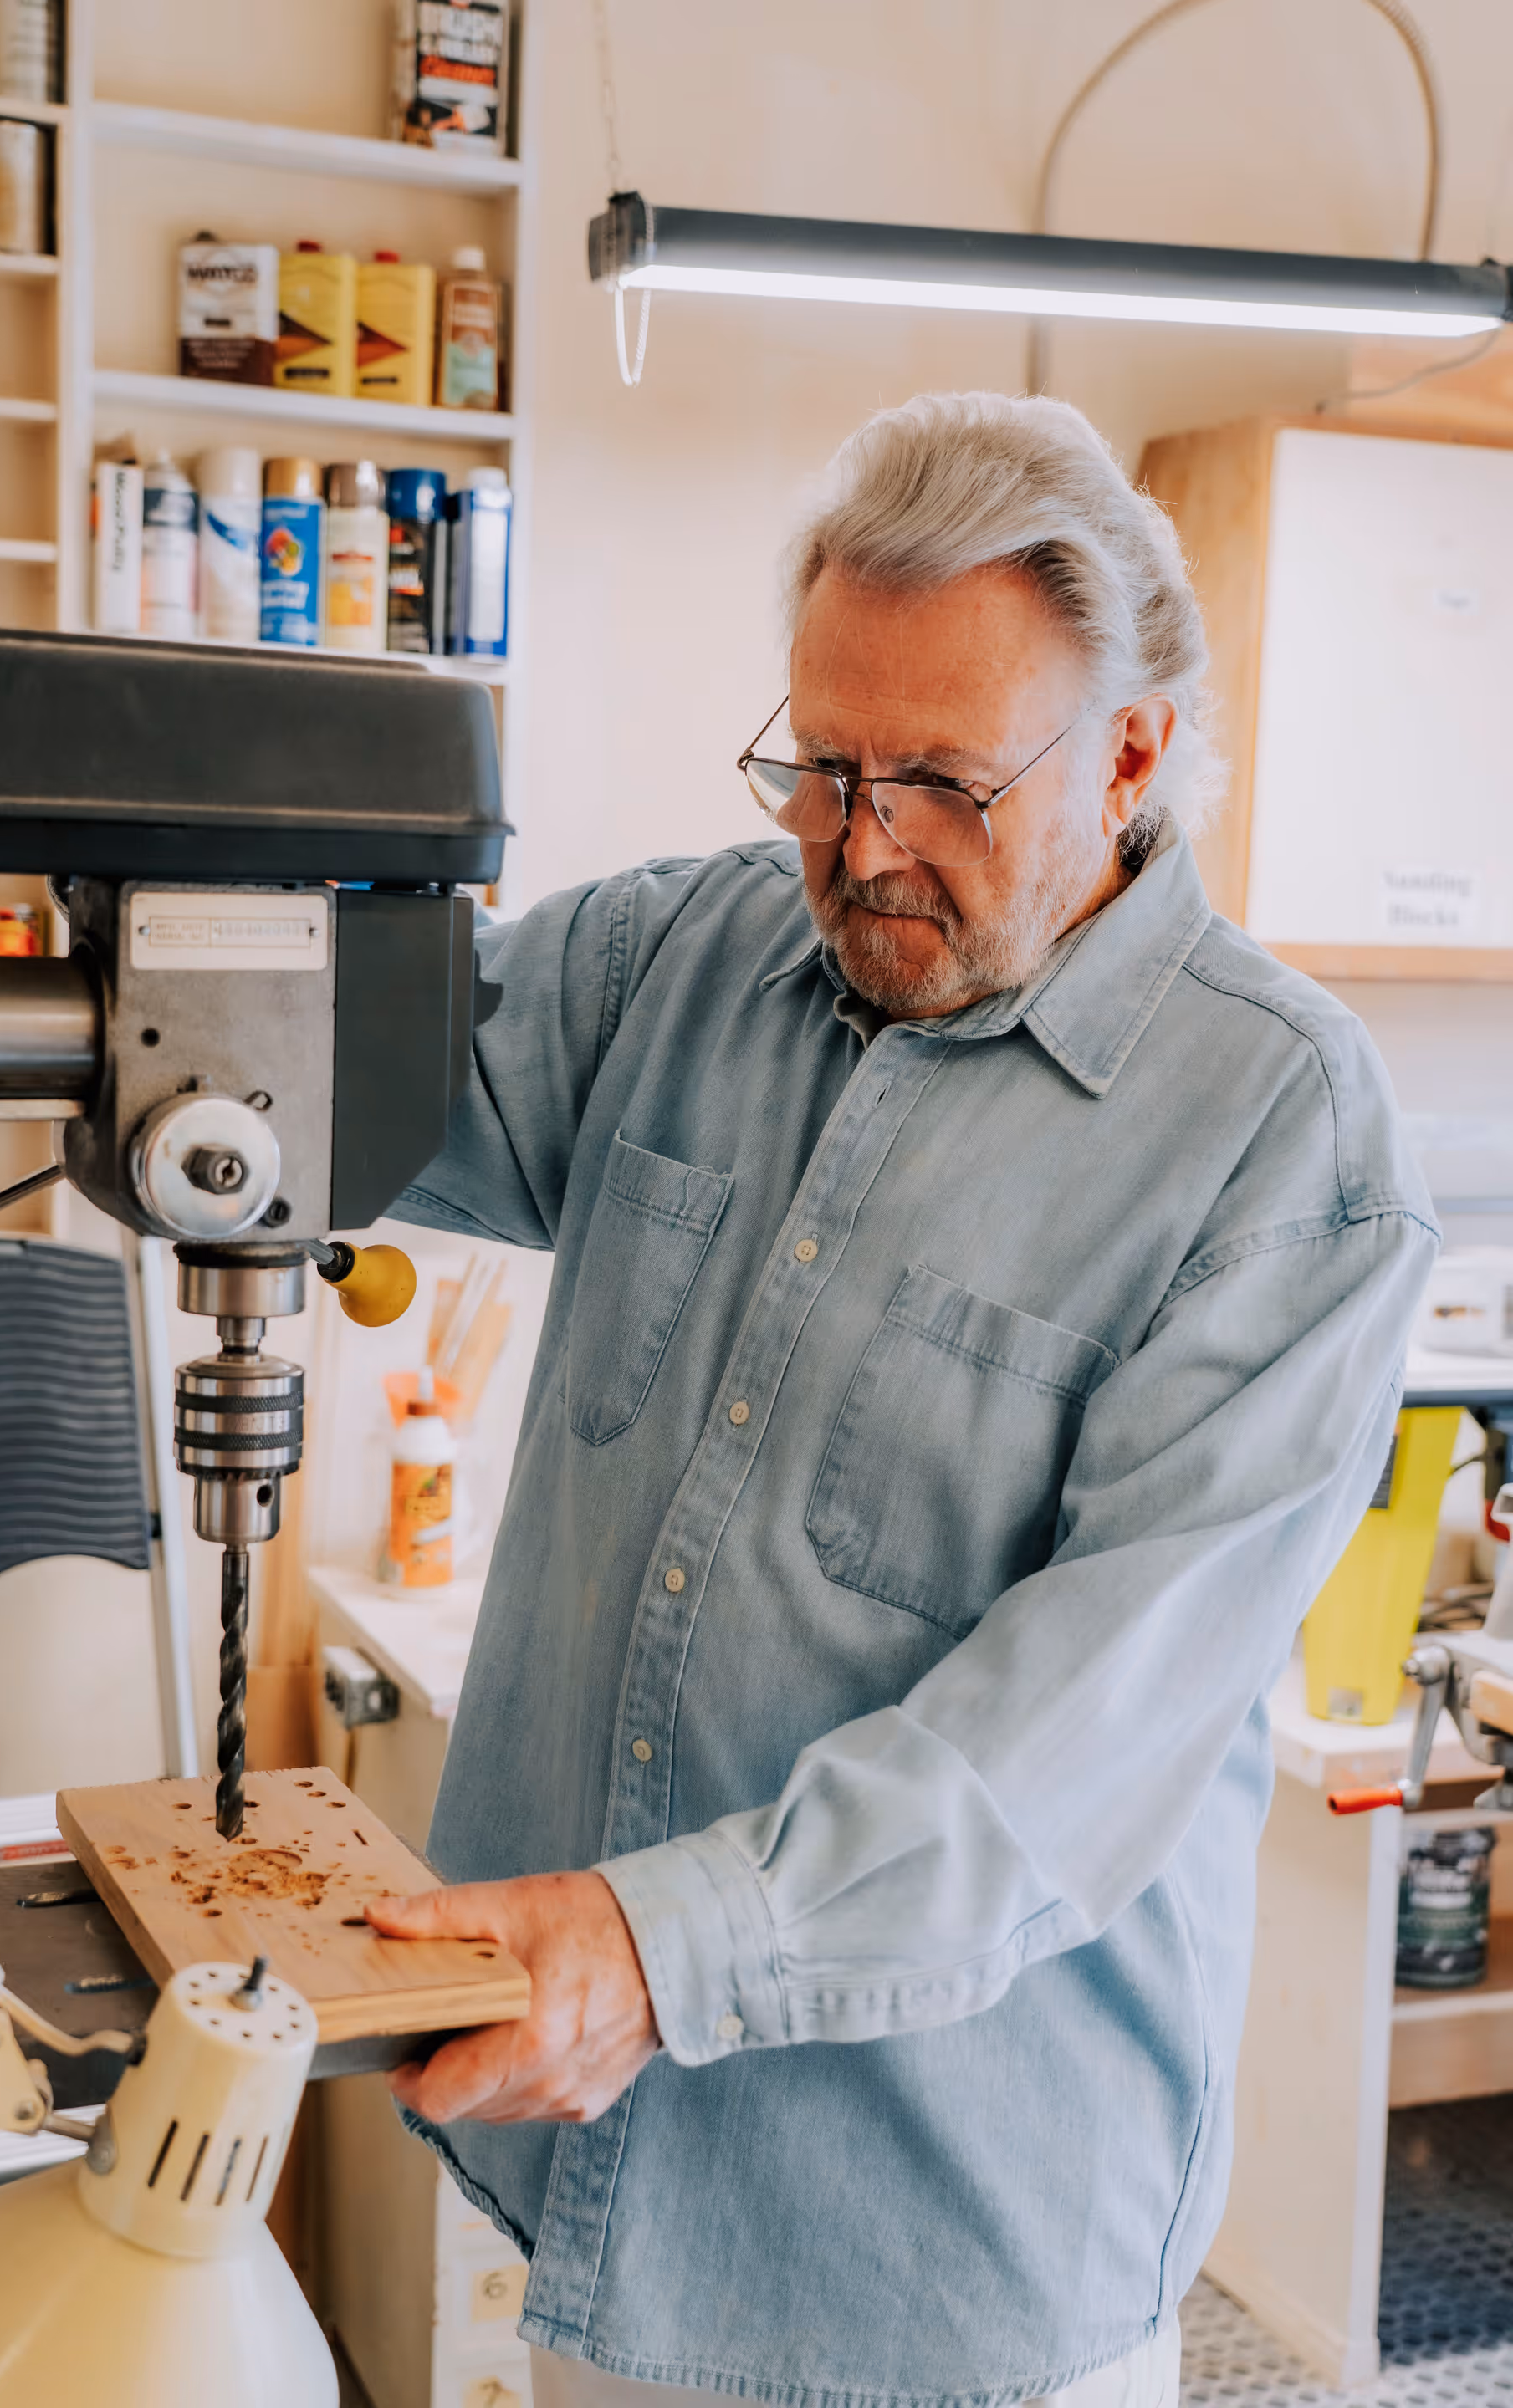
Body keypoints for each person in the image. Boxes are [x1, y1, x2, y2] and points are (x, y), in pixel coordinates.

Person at [367, 391, 1436, 2408]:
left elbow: (1057, 1756)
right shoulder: (685, 954)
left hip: (928, 2290)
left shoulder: (1278, 1137)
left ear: (1129, 750)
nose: (862, 852)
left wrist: (659, 1950)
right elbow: (341, 1095)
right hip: (586, 2183)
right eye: (824, 768)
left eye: (943, 782)